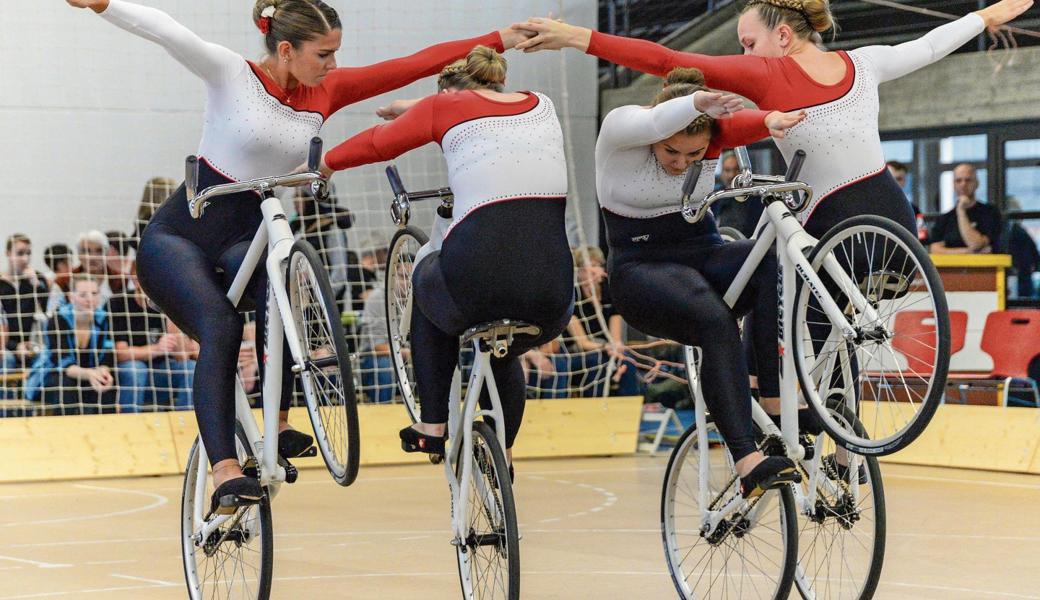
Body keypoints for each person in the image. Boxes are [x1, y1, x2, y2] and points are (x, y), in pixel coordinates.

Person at [67, 0, 533, 514]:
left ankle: (281, 422)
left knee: (280, 285)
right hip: (180, 238)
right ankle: (223, 471)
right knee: (220, 327)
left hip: (247, 236)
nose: (333, 65)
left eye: (337, 53)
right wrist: (102, 4)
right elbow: (166, 30)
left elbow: (415, 62)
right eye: (324, 54)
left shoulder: (325, 91)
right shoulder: (231, 73)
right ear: (285, 49)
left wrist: (503, 36)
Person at [512, 0, 1032, 240]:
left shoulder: (767, 74)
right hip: (891, 218)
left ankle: (774, 407)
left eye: (749, 42)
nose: (745, 54)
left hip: (829, 218)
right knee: (838, 336)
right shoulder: (865, 62)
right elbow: (927, 46)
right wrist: (983, 17)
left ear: (783, 36)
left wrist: (582, 39)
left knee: (764, 293)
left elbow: (667, 61)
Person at [314, 45, 574, 464]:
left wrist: (324, 165)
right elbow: (482, 107)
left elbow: (380, 144)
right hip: (554, 297)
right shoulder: (542, 106)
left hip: (477, 283)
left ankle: (431, 425)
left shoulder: (443, 107)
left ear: (447, 92)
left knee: (426, 279)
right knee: (502, 347)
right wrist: (417, 105)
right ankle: (502, 456)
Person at [589, 66, 806, 496]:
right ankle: (746, 459)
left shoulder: (705, 141)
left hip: (702, 253)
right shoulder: (621, 131)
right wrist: (696, 103)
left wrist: (767, 120)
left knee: (765, 257)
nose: (682, 163)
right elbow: (653, 122)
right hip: (640, 269)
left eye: (695, 155)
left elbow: (739, 126)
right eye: (672, 152)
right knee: (713, 318)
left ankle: (772, 398)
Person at [109, 265, 197, 412]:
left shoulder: (167, 303)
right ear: (135, 281)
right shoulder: (119, 303)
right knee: (136, 369)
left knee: (191, 369)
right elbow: (120, 354)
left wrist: (170, 312)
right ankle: (128, 426)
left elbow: (181, 356)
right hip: (130, 372)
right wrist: (156, 349)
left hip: (162, 373)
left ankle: (184, 425)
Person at [25, 275, 117, 415]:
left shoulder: (105, 318)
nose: (89, 299)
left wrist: (103, 372)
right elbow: (62, 363)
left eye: (94, 293)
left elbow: (107, 355)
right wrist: (91, 374)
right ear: (71, 297)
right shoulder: (57, 320)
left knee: (105, 383)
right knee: (66, 385)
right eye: (83, 295)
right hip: (51, 377)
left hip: (87, 376)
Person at [0, 235, 49, 369]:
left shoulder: (37, 280)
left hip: (31, 343)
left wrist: (37, 285)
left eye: (28, 253)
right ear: (8, 254)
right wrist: (15, 346)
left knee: (45, 356)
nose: (25, 259)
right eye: (20, 253)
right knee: (7, 359)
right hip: (5, 344)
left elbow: (47, 312)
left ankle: (33, 391)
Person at [929, 163, 1001, 254]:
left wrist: (961, 211)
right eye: (958, 181)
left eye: (968, 180)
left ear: (977, 184)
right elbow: (934, 249)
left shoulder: (990, 212)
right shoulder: (944, 219)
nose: (963, 184)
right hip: (951, 267)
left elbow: (975, 244)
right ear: (953, 185)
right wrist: (968, 251)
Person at [43, 244, 74, 315]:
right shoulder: (48, 281)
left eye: (71, 261)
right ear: (54, 264)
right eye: (65, 263)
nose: (70, 266)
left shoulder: (69, 281)